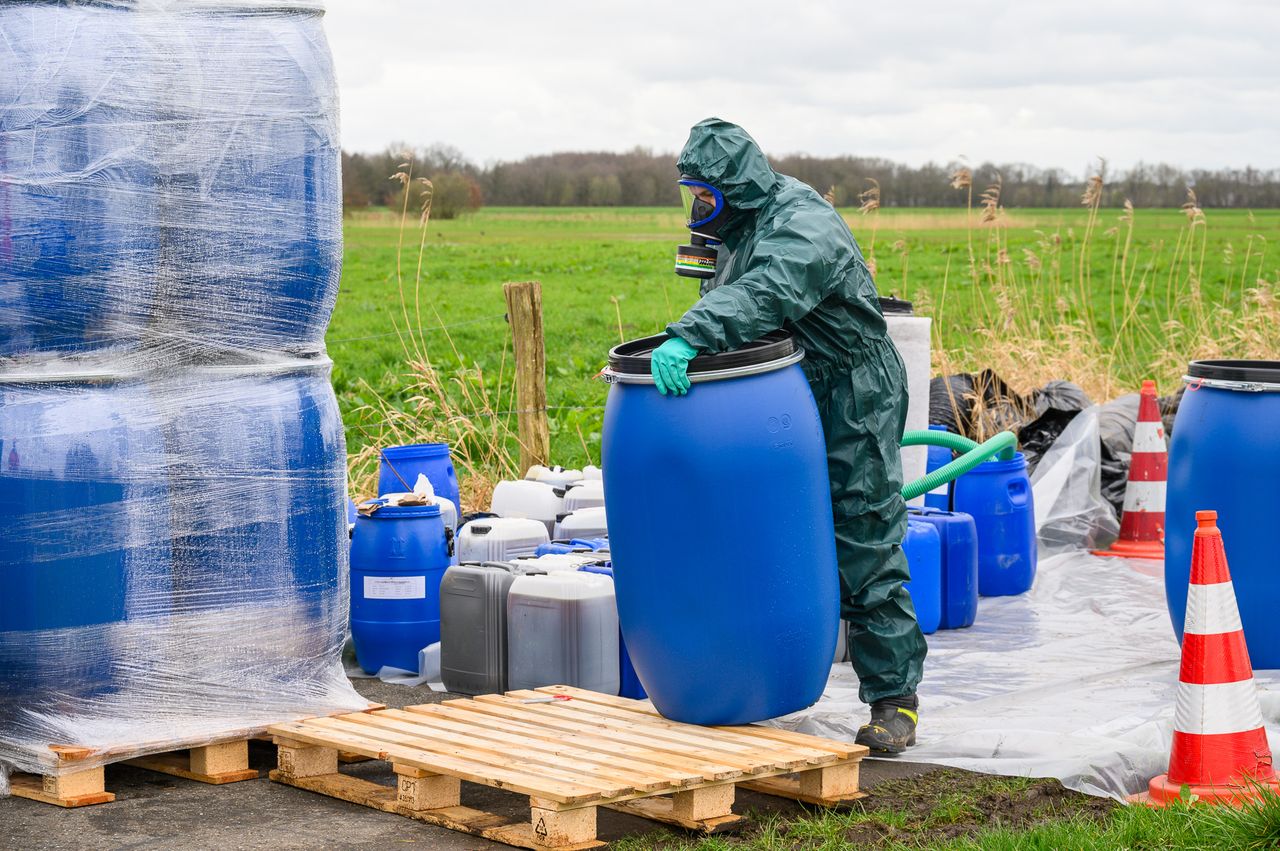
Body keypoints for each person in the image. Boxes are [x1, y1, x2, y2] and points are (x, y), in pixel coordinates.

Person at [651, 118, 925, 753]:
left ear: (735, 188)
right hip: (788, 385)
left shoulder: (803, 224)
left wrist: (695, 330)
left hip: (852, 389)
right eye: (690, 194)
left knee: (861, 534)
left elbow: (768, 290)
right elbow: (729, 285)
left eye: (705, 195)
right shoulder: (733, 224)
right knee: (777, 528)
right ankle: (755, 673)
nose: (697, 208)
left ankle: (895, 700)